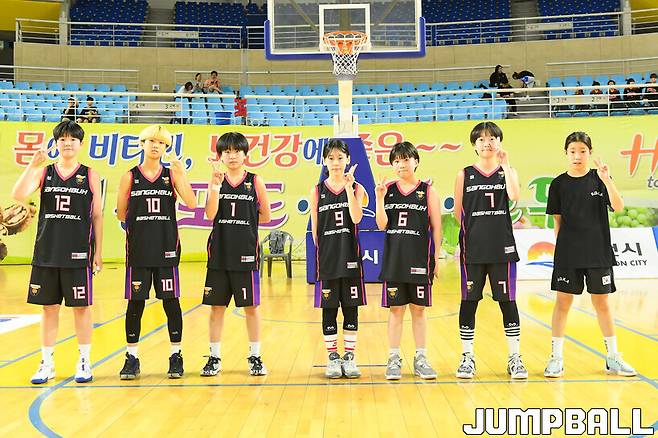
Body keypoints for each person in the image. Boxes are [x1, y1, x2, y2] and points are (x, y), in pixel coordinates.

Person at [11, 121, 103, 384]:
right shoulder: (45, 172)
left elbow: (97, 215)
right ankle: (47, 363)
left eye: (73, 139)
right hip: (47, 252)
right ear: (56, 143)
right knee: (49, 309)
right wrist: (32, 165)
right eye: (62, 139)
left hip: (78, 253)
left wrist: (98, 252)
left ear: (80, 144)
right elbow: (18, 194)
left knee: (81, 308)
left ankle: (84, 361)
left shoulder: (89, 174)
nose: (67, 143)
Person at [544, 132, 636, 378]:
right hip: (568, 255)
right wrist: (562, 252)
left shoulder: (599, 178)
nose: (577, 156)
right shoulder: (558, 184)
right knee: (563, 303)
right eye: (572, 151)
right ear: (566, 153)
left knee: (602, 303)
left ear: (590, 152)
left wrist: (607, 180)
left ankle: (613, 357)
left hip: (598, 252)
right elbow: (557, 222)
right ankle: (556, 358)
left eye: (582, 151)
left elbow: (618, 206)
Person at [116, 125, 197, 380]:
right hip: (139, 251)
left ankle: (176, 355)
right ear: (142, 144)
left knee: (171, 303)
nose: (155, 145)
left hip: (166, 249)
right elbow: (121, 213)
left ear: (166, 148)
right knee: (135, 304)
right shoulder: (130, 176)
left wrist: (181, 174)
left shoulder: (171, 175)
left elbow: (192, 202)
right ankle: (131, 357)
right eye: (151, 140)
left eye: (161, 143)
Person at [452, 122, 527, 380]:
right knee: (469, 302)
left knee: (508, 302)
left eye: (492, 138)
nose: (487, 143)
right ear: (474, 145)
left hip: (502, 249)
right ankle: (467, 358)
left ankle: (515, 358)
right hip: (472, 250)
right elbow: (458, 212)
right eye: (482, 139)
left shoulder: (508, 171)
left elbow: (515, 196)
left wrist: (506, 165)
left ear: (499, 142)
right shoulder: (464, 174)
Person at [200, 132, 271, 377]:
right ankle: (214, 357)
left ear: (245, 154)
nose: (232, 156)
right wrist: (215, 186)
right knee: (216, 308)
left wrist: (244, 224)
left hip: (246, 254)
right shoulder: (216, 180)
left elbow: (266, 216)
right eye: (227, 152)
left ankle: (255, 356)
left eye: (237, 151)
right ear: (220, 155)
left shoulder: (255, 181)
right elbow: (210, 214)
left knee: (251, 308)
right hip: (219, 254)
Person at [375, 141, 442, 380]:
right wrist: (379, 198)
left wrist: (436, 257)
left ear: (416, 161)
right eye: (396, 161)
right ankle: (393, 358)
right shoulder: (387, 189)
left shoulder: (428, 191)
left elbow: (436, 227)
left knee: (419, 310)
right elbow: (381, 225)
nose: (401, 164)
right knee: (396, 310)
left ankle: (421, 358)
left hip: (419, 260)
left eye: (405, 159)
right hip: (395, 261)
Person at [309, 139, 366, 379]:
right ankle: (332, 358)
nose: (335, 163)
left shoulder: (357, 188)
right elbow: (315, 230)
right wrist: (322, 254)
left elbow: (356, 218)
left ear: (348, 160)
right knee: (329, 310)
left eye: (340, 158)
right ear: (324, 161)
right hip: (328, 260)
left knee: (351, 309)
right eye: (331, 158)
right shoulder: (316, 191)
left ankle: (349, 357)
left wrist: (349, 189)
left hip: (350, 257)